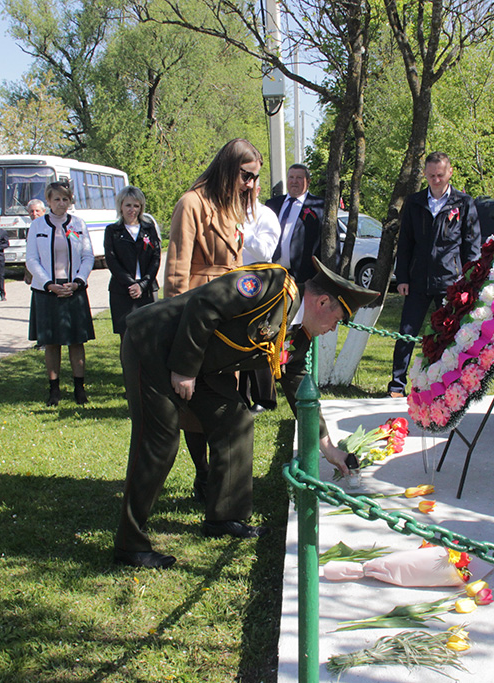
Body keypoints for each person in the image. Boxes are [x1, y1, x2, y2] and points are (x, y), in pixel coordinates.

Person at [113, 258, 378, 569]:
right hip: (156, 344)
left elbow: (294, 380)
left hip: (204, 364)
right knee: (159, 441)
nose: (335, 327)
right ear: (322, 302)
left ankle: (225, 516)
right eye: (339, 319)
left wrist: (327, 446)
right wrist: (184, 369)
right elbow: (204, 304)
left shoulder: (298, 329)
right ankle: (130, 544)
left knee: (235, 421)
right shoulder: (269, 285)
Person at [163, 138, 263, 503]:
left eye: (255, 178)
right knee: (195, 406)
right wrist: (177, 335)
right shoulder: (192, 203)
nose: (251, 185)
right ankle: (203, 475)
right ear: (227, 167)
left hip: (227, 319)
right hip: (197, 315)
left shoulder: (229, 206)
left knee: (225, 397)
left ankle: (217, 477)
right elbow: (176, 272)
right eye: (246, 175)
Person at [388, 152, 481, 398]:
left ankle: (449, 383)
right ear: (425, 175)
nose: (436, 180)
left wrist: (469, 281)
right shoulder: (414, 202)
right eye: (431, 175)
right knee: (406, 332)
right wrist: (402, 278)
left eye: (440, 175)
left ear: (450, 172)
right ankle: (397, 384)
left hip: (450, 281)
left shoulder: (463, 202)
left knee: (449, 335)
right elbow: (405, 242)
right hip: (417, 280)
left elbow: (471, 244)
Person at [26, 181, 95, 406]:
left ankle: (79, 388)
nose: (61, 203)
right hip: (47, 292)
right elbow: (32, 259)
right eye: (57, 199)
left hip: (73, 290)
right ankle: (54, 390)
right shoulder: (37, 226)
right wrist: (48, 284)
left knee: (76, 342)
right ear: (48, 201)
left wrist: (77, 282)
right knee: (52, 343)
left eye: (65, 199)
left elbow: (87, 256)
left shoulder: (78, 224)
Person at [240, 180, 283, 414]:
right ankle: (240, 396)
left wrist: (241, 232)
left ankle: (264, 398)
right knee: (236, 340)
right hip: (230, 283)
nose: (244, 193)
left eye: (250, 189)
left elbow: (266, 252)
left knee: (258, 340)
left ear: (257, 190)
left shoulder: (266, 215)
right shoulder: (228, 211)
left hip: (256, 284)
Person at [104, 186, 161, 336]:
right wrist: (131, 284)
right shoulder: (112, 231)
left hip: (147, 289)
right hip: (122, 291)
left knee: (149, 335)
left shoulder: (149, 229)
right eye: (128, 205)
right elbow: (111, 260)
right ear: (121, 206)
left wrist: (142, 285)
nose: (132, 210)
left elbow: (156, 258)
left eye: (136, 206)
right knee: (127, 336)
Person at [266, 164, 325, 284]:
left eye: (299, 178)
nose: (294, 181)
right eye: (291, 177)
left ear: (308, 181)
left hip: (303, 277)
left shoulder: (319, 206)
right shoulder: (272, 204)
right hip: (272, 273)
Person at [23, 199, 46, 287]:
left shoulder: (48, 226)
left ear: (43, 211)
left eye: (37, 211)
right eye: (31, 211)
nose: (34, 214)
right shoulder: (32, 227)